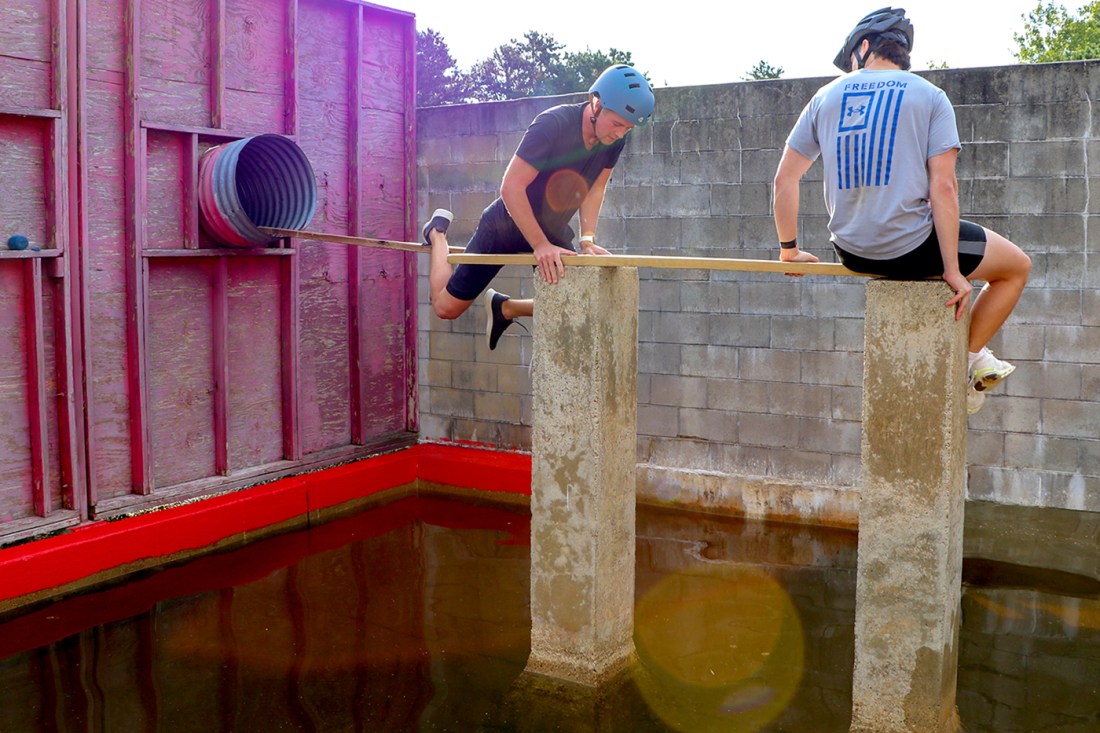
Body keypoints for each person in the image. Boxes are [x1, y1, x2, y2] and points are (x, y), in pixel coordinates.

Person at [772, 7, 1031, 414]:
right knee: (1016, 267)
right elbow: (943, 187)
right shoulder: (930, 96)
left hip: (852, 252)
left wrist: (788, 249)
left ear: (863, 47)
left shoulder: (824, 96)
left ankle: (978, 361)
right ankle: (966, 360)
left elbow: (784, 180)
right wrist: (951, 269)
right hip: (911, 249)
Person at [421, 64, 655, 350]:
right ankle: (437, 234)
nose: (620, 134)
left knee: (582, 299)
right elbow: (510, 187)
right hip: (505, 224)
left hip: (551, 229)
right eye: (617, 123)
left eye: (627, 128)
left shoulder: (612, 141)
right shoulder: (552, 124)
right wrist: (540, 245)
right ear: (597, 103)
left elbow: (595, 188)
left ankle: (505, 308)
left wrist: (587, 239)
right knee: (446, 307)